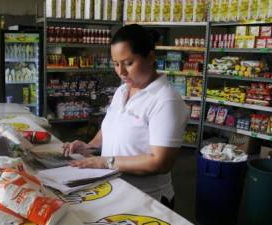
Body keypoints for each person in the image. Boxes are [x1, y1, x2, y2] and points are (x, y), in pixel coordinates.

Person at [63, 24, 189, 208]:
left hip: (147, 200)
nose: (121, 72)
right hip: (113, 189)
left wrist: (105, 163)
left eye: (129, 63)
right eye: (116, 64)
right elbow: (110, 129)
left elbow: (160, 162)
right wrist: (90, 147)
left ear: (151, 57)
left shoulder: (166, 100)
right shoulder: (122, 91)